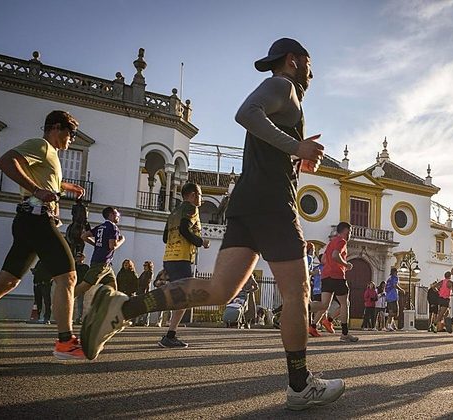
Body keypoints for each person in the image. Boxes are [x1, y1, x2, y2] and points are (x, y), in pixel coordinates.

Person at [80, 38, 344, 411]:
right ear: (295, 60)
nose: (312, 72)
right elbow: (246, 114)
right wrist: (295, 147)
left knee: (220, 289)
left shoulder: (286, 96)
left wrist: (294, 155)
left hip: (247, 205)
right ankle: (300, 386)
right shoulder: (283, 85)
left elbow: (263, 134)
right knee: (297, 294)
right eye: (309, 63)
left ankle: (121, 310)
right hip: (271, 205)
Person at [0, 110, 85, 363]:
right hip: (37, 219)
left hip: (28, 220)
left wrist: (67, 186)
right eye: (72, 134)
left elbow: (47, 182)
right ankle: (65, 341)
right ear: (57, 128)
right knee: (68, 276)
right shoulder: (42, 145)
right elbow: (5, 161)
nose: (72, 140)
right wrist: (38, 190)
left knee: (5, 283)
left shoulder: (51, 156)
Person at [158, 182, 211, 348]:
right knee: (184, 297)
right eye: (200, 195)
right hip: (182, 258)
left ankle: (169, 332)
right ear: (194, 195)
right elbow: (184, 229)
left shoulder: (173, 211)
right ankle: (170, 335)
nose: (201, 199)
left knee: (176, 296)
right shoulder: (191, 209)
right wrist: (200, 241)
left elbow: (165, 237)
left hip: (169, 257)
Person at [310, 222, 358, 342]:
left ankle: (301, 308)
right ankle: (345, 334)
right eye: (350, 232)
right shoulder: (342, 241)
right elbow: (336, 255)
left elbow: (325, 259)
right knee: (345, 304)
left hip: (326, 276)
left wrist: (331, 265)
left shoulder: (331, 242)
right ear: (346, 231)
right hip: (337, 276)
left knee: (324, 305)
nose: (350, 234)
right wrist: (346, 265)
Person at [77, 206, 124, 318]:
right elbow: (112, 246)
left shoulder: (100, 227)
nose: (119, 216)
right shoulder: (113, 227)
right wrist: (122, 240)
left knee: (113, 287)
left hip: (106, 264)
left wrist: (96, 244)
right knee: (85, 285)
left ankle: (111, 314)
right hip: (102, 262)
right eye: (117, 214)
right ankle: (67, 298)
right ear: (112, 215)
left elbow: (84, 236)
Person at [135, 261, 154, 326]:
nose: (144, 267)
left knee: (146, 307)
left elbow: (147, 282)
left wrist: (145, 290)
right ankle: (140, 320)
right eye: (144, 265)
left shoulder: (150, 273)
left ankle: (145, 321)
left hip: (146, 291)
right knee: (140, 307)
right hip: (141, 291)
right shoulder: (143, 273)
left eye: (145, 265)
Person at [384, 267, 403, 332]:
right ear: (395, 272)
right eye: (396, 271)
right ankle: (389, 326)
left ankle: (391, 325)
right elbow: (395, 285)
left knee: (391, 312)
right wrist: (401, 290)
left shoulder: (389, 279)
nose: (397, 273)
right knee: (394, 313)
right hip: (393, 297)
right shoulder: (395, 278)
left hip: (388, 297)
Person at [73, 252, 90, 324]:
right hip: (73, 285)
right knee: (70, 302)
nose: (78, 258)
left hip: (81, 286)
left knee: (80, 303)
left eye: (79, 257)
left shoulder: (85, 267)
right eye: (77, 257)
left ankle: (78, 318)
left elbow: (87, 276)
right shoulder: (74, 266)